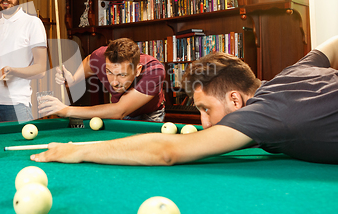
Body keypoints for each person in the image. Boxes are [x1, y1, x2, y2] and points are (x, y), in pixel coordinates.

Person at [31, 35, 338, 165]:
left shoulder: (266, 112)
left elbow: (167, 151)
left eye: (206, 110)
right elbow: (332, 45)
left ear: (235, 99)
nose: (203, 123)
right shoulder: (294, 72)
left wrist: (79, 150)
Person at [38, 38, 166, 122]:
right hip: (118, 111)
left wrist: (66, 110)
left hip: (149, 114)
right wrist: (73, 80)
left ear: (138, 70)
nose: (114, 82)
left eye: (122, 75)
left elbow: (119, 110)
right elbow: (90, 60)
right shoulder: (101, 56)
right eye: (109, 72)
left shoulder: (154, 70)